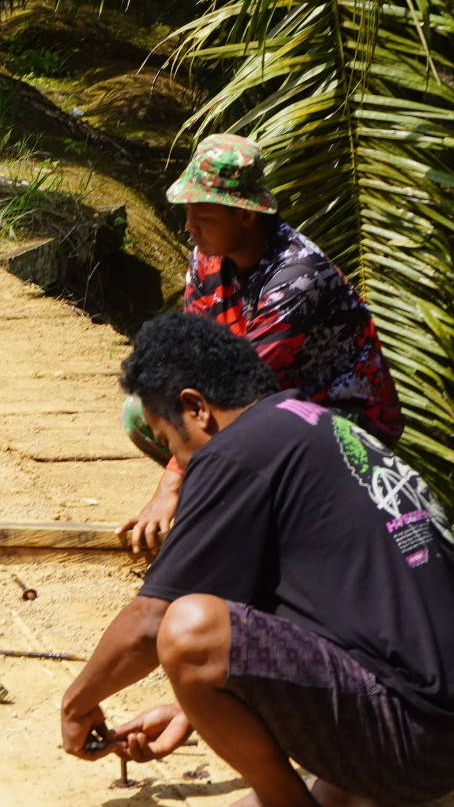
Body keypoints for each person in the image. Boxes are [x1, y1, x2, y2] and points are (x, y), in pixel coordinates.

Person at [63, 312, 454, 807]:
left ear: (196, 409)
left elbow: (152, 620)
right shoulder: (309, 427)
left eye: (169, 443)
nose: (179, 466)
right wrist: (196, 711)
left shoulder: (237, 451)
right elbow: (315, 614)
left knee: (189, 629)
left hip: (411, 740)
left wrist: (77, 705)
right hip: (429, 724)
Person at [119, 133, 402, 554]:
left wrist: (171, 486)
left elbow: (247, 395)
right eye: (188, 213)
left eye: (205, 217)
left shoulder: (298, 277)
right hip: (267, 406)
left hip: (336, 421)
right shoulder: (206, 256)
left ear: (246, 216)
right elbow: (190, 357)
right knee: (144, 411)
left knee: (234, 424)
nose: (189, 227)